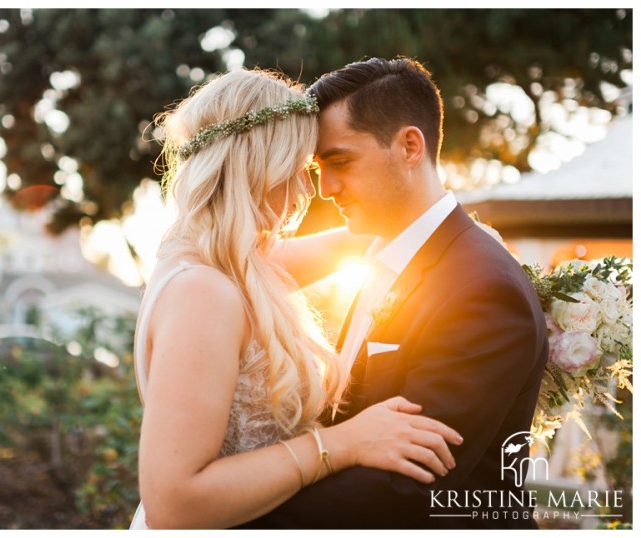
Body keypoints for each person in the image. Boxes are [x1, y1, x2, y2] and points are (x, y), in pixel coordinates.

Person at [130, 67, 463, 530]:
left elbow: (348, 243)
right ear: (258, 165)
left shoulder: (235, 264)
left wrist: (462, 238)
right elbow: (175, 504)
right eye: (301, 169)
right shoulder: (203, 292)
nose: (312, 190)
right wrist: (341, 444)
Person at [237, 57, 549, 530]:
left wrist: (231, 513)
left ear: (408, 146)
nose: (327, 188)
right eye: (319, 169)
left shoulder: (481, 289)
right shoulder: (382, 255)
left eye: (340, 161)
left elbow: (408, 485)